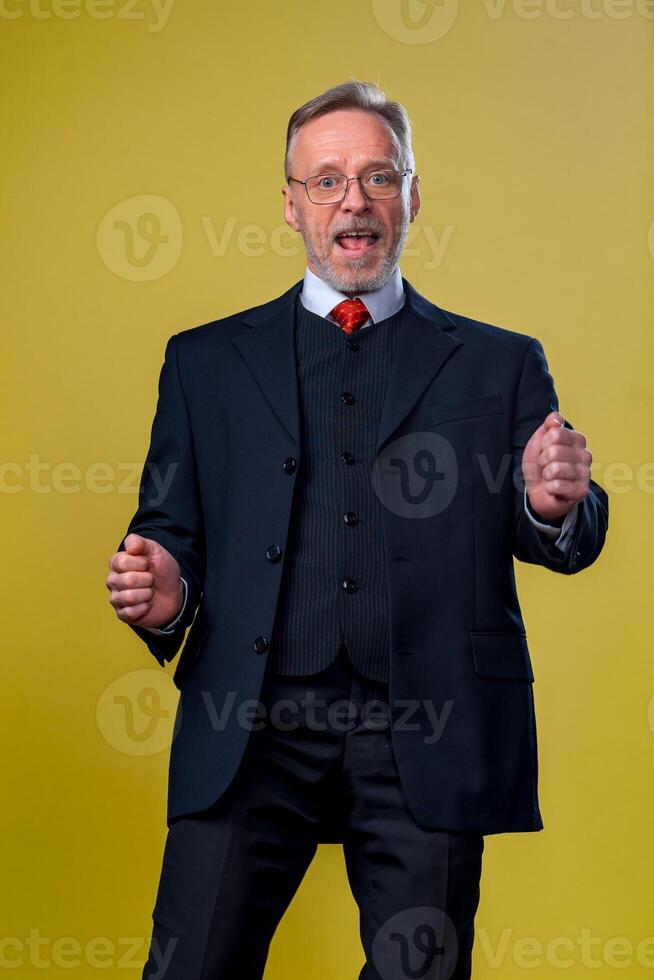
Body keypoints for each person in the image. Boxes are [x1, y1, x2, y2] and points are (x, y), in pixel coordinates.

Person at [106, 81, 609, 980]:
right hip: (251, 725)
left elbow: (562, 522)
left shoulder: (499, 360)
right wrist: (168, 591)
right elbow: (165, 529)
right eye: (327, 180)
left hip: (432, 724)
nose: (354, 200)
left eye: (379, 177)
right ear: (291, 203)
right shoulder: (204, 362)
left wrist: (553, 503)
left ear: (412, 197)